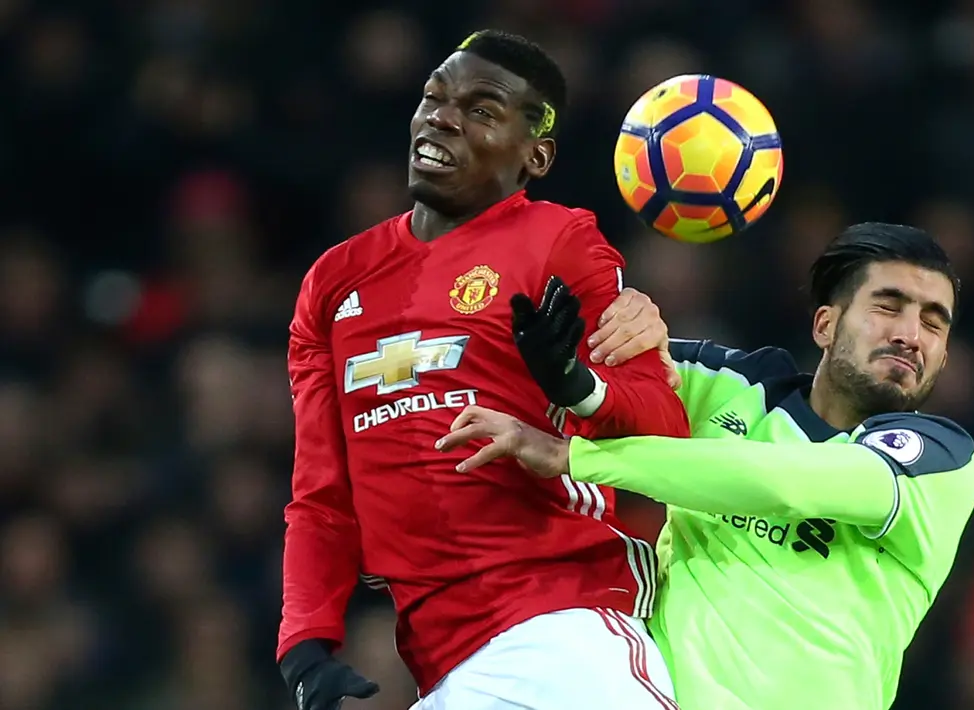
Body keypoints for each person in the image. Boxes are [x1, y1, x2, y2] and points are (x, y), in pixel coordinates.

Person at [278, 29, 690, 710]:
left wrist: (576, 389)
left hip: (563, 628)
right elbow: (320, 492)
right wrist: (304, 641)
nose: (441, 116)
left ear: (537, 154)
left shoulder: (560, 241)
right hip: (442, 664)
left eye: (481, 109)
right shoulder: (333, 282)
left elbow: (665, 427)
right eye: (434, 97)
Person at [438, 223, 974, 710]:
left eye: (934, 323)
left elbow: (784, 483)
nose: (911, 335)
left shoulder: (940, 460)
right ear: (825, 325)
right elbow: (618, 375)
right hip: (644, 691)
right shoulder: (732, 385)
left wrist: (577, 457)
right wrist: (620, 330)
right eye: (889, 306)